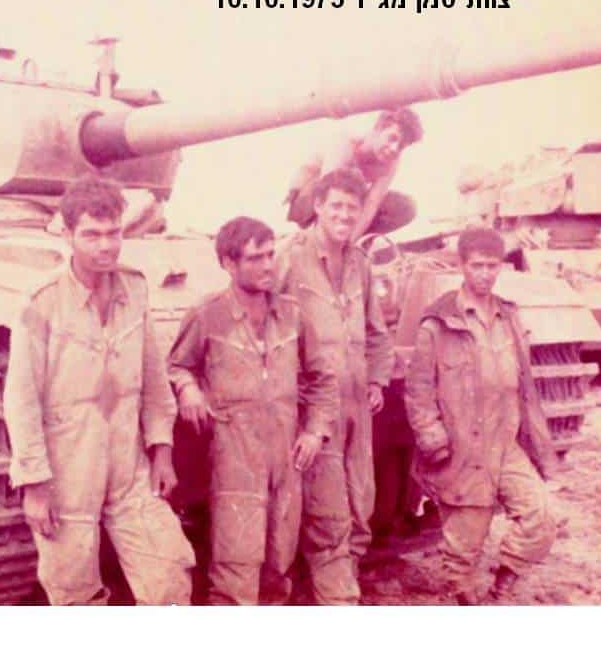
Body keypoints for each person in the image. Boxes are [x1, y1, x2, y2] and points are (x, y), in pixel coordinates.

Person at [3, 176, 195, 605]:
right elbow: (21, 398)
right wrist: (34, 482)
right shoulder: (42, 301)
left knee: (168, 575)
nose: (106, 246)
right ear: (68, 235)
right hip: (67, 468)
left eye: (114, 233)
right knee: (73, 591)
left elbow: (153, 376)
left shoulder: (134, 287)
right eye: (91, 235)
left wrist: (162, 449)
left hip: (129, 464)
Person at [167, 217, 339, 605]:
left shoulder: (291, 313)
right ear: (228, 264)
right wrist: (188, 388)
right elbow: (177, 365)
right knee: (236, 563)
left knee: (280, 559)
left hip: (286, 454)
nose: (267, 266)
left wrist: (315, 431)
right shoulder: (208, 314)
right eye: (255, 258)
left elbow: (322, 377)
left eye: (270, 255)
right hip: (234, 455)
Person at [404, 226, 558, 604]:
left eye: (493, 266)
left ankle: (503, 583)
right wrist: (431, 435)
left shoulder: (509, 316)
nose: (485, 274)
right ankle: (465, 600)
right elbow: (418, 388)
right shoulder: (439, 323)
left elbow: (525, 382)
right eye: (477, 265)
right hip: (464, 449)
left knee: (541, 517)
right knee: (463, 548)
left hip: (506, 444)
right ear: (462, 265)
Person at [275, 170, 395, 604]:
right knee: (328, 511)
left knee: (361, 500)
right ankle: (337, 597)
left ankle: (342, 581)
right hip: (312, 404)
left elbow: (376, 330)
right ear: (318, 207)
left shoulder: (360, 263)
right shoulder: (289, 257)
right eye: (336, 206)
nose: (345, 215)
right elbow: (264, 320)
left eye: (352, 207)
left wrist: (378, 378)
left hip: (357, 403)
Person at [286, 108, 423, 240]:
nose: (394, 148)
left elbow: (372, 204)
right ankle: (318, 240)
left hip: (342, 202)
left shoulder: (391, 162)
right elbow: (326, 195)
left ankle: (349, 243)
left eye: (401, 146)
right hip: (308, 201)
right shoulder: (346, 142)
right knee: (350, 180)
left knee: (405, 207)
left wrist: (349, 242)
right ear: (378, 128)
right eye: (392, 138)